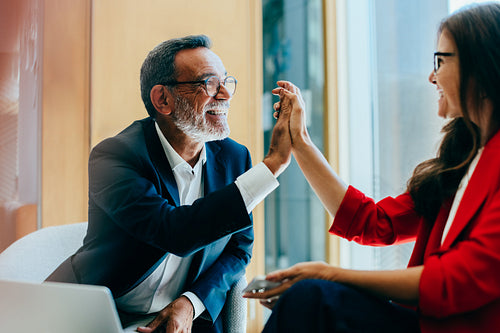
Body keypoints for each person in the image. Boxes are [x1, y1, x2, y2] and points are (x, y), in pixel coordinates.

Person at [244, 3, 500, 332]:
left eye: (440, 61)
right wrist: (301, 141)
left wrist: (329, 274)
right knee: (309, 300)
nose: (431, 76)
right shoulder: (461, 162)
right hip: (423, 321)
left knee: (311, 296)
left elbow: (456, 280)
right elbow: (373, 223)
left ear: (481, 65)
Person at [46, 35, 291, 333]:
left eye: (226, 81)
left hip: (179, 317)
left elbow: (239, 249)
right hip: (95, 310)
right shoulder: (115, 157)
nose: (225, 93)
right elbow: (174, 232)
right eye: (209, 83)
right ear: (163, 99)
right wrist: (273, 164)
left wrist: (190, 302)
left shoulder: (235, 157)